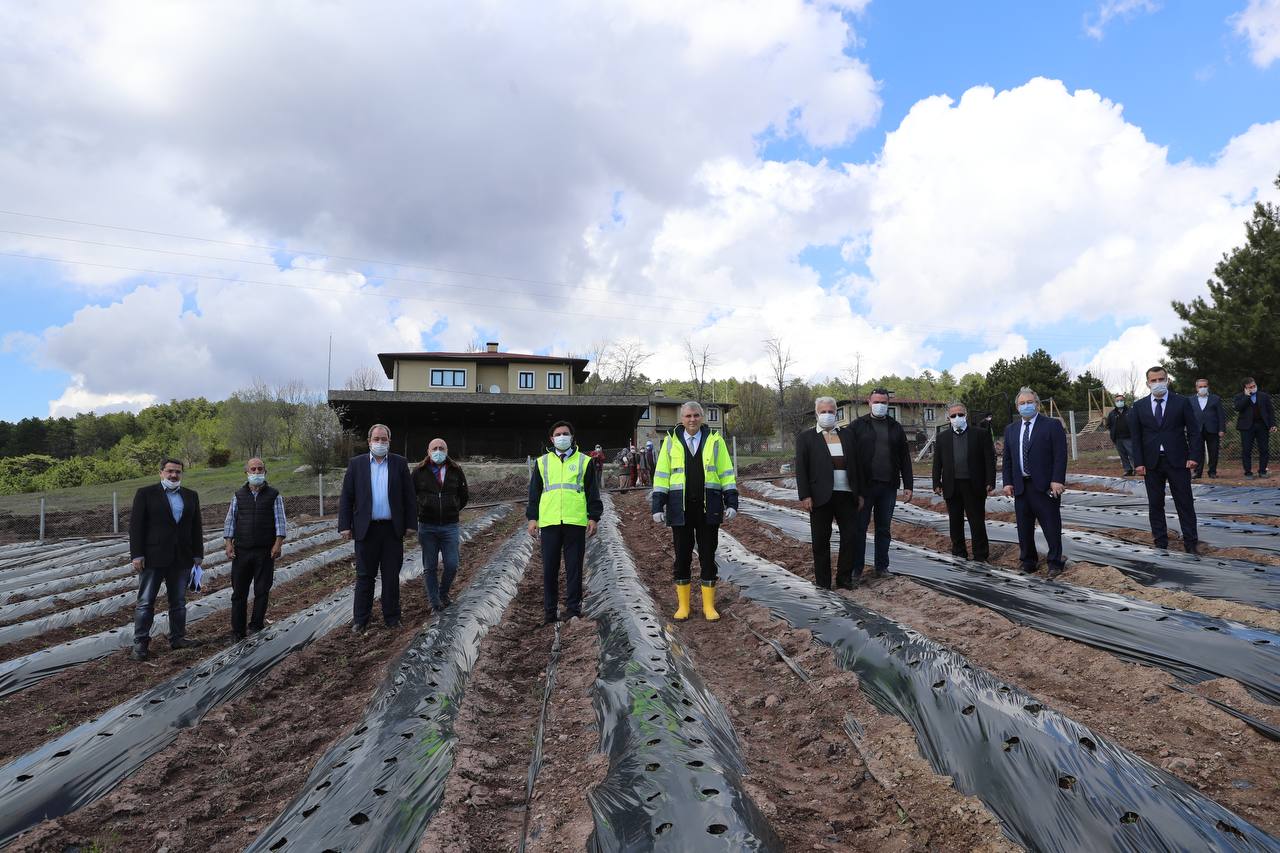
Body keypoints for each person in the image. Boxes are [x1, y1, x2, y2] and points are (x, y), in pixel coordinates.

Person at [652, 401, 739, 621]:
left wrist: (731, 502)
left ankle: (708, 606)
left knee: (708, 556)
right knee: (682, 557)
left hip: (708, 508)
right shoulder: (671, 442)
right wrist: (657, 504)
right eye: (688, 416)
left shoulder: (714, 440)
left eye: (696, 415)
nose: (692, 420)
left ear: (702, 417)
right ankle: (684, 606)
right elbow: (662, 475)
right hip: (679, 509)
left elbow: (726, 473)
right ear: (681, 418)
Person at [338, 424, 418, 633]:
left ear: (389, 442)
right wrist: (345, 525)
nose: (380, 443)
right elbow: (347, 497)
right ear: (369, 441)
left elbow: (409, 497)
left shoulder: (400, 464)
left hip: (392, 530)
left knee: (391, 577)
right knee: (365, 576)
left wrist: (411, 524)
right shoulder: (357, 464)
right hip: (366, 530)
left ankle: (392, 618)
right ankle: (360, 619)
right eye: (377, 439)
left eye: (384, 439)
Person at [128, 457, 205, 660]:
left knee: (178, 601)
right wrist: (137, 554)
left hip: (181, 557)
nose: (174, 475)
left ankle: (178, 638)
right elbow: (136, 526)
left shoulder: (191, 496)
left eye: (178, 472)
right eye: (170, 471)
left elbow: (196, 527)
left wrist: (198, 554)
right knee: (146, 602)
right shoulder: (145, 494)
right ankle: (140, 644)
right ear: (161, 472)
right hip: (153, 557)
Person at [527, 421, 601, 625]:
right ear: (551, 439)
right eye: (557, 434)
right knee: (549, 568)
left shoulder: (584, 462)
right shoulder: (542, 462)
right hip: (550, 521)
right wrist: (533, 518)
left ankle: (573, 609)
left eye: (565, 434)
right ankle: (549, 612)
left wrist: (593, 516)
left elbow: (592, 492)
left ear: (572, 437)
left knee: (574, 568)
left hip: (575, 521)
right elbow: (534, 493)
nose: (561, 437)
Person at [1129, 366, 1201, 553]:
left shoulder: (1181, 402)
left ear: (1167, 380)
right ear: (1147, 383)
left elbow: (1194, 431)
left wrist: (1194, 456)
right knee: (1155, 503)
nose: (1158, 383)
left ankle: (1191, 543)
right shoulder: (1139, 406)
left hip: (1178, 461)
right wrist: (1138, 462)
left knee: (1184, 502)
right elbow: (1136, 437)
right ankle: (1160, 542)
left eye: (1161, 379)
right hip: (1152, 463)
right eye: (1153, 380)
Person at [795, 396, 863, 589]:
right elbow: (801, 469)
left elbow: (857, 466)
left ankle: (844, 579)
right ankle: (823, 583)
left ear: (836, 413)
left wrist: (860, 493)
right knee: (820, 541)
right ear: (817, 414)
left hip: (847, 494)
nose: (827, 415)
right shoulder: (806, 438)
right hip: (820, 497)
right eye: (823, 412)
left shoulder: (848, 435)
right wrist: (805, 495)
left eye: (830, 412)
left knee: (850, 537)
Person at [1001, 388, 1068, 578]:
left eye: (1029, 402)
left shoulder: (1052, 425)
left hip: (1045, 485)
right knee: (1024, 526)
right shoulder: (1011, 430)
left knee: (1051, 525)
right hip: (1021, 486)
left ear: (1037, 404)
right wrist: (1007, 482)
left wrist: (1057, 480)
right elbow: (1008, 459)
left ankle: (1055, 561)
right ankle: (1028, 560)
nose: (1026, 406)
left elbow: (1060, 455)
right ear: (1017, 407)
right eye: (1022, 403)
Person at [849, 389, 913, 580]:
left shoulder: (895, 427)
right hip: (864, 488)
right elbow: (850, 458)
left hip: (888, 486)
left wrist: (908, 484)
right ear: (869, 402)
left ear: (888, 403)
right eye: (876, 401)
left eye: (884, 402)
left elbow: (904, 458)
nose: (880, 405)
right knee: (860, 528)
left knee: (883, 528)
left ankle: (881, 567)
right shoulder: (857, 426)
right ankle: (856, 569)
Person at [222, 457, 286, 641]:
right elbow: (230, 520)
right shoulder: (238, 495)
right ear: (247, 473)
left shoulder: (274, 495)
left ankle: (256, 625)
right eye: (253, 469)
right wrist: (228, 543)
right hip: (242, 550)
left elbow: (280, 521)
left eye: (260, 469)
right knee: (239, 592)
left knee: (262, 590)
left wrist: (278, 543)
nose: (257, 473)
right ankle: (237, 631)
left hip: (265, 551)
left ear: (265, 472)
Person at [932, 402, 996, 562]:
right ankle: (959, 553)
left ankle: (981, 555)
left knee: (977, 522)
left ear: (966, 415)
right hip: (951, 486)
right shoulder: (942, 438)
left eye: (960, 414)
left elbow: (989, 459)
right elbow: (937, 462)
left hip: (974, 485)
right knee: (955, 521)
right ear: (948, 418)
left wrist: (990, 480)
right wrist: (936, 482)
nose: (957, 418)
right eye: (953, 416)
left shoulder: (980, 434)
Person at [412, 438, 468, 613]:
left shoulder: (456, 470)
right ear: (428, 451)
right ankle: (434, 601)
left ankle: (443, 593)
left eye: (441, 448)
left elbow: (464, 495)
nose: (438, 451)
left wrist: (452, 508)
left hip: (449, 526)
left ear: (446, 450)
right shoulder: (419, 471)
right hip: (427, 526)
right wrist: (420, 511)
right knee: (430, 566)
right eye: (434, 448)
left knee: (452, 564)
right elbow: (411, 496)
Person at [1234, 378, 1276, 479]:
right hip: (1246, 427)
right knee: (1246, 450)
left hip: (1262, 425)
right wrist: (1247, 396)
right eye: (1250, 387)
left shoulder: (1264, 396)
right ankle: (1248, 472)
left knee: (1264, 449)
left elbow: (1270, 411)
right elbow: (1237, 408)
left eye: (1254, 386)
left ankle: (1262, 471)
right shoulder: (1239, 397)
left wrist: (1272, 424)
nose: (1253, 388)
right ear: (1245, 388)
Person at [1191, 379, 1226, 479]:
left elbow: (1221, 415)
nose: (1203, 388)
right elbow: (1188, 416)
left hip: (1213, 429)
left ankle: (1212, 472)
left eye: (1204, 386)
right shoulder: (1190, 400)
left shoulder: (1215, 399)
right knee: (1198, 452)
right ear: (1196, 388)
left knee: (1213, 451)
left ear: (1208, 387)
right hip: (1197, 430)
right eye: (1200, 387)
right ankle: (1197, 472)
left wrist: (1222, 429)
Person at [1105, 395, 1135, 476]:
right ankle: (1128, 470)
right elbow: (1108, 425)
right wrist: (1112, 432)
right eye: (1117, 401)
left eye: (1121, 400)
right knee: (1123, 455)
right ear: (1115, 403)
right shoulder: (1112, 413)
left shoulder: (1130, 411)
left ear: (1124, 401)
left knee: (1132, 454)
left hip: (1129, 437)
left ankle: (1136, 468)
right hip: (1118, 438)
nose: (1119, 402)